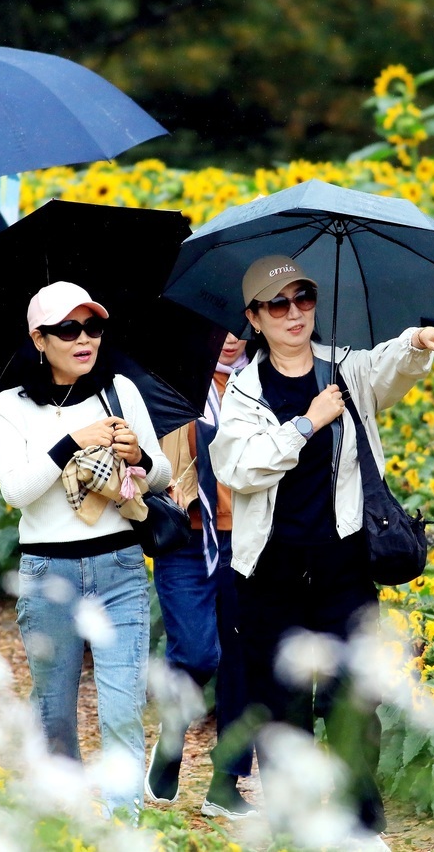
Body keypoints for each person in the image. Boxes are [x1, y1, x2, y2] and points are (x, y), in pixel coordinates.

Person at [210, 255, 434, 848]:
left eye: (303, 299)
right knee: (284, 707)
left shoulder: (344, 369)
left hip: (344, 564)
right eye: (278, 305)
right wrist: (306, 423)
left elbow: (389, 369)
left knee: (355, 699)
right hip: (269, 572)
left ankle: (360, 822)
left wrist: (418, 342)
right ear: (254, 318)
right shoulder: (244, 392)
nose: (295, 313)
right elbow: (239, 469)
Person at [0, 281, 170, 819]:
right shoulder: (11, 406)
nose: (84, 339)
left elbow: (159, 475)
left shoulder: (121, 392)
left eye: (92, 327)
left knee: (121, 711)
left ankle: (122, 827)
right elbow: (15, 491)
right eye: (68, 330)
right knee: (55, 713)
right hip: (49, 572)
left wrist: (138, 453)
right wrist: (73, 441)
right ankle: (62, 820)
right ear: (39, 340)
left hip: (120, 568)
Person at [148, 332, 255, 818]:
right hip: (189, 539)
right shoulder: (173, 378)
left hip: (251, 538)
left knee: (244, 662)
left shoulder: (264, 378)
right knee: (194, 653)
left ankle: (226, 782)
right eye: (218, 326)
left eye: (238, 325)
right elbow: (151, 457)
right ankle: (171, 740)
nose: (230, 338)